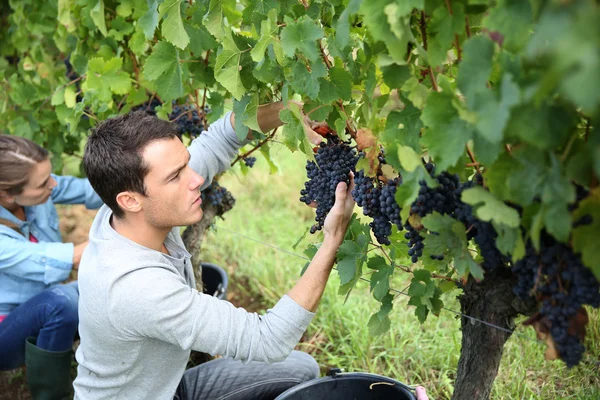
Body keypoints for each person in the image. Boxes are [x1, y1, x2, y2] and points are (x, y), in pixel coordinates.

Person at [74, 103, 429, 400]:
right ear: (130, 199)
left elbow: (221, 136)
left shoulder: (124, 212)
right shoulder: (136, 290)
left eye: (186, 164)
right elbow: (268, 339)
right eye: (176, 176)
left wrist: (291, 111)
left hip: (166, 389)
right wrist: (332, 239)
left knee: (301, 368)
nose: (196, 178)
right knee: (282, 356)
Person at [0, 135, 103, 398]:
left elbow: (92, 190)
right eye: (44, 183)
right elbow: (68, 258)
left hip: (44, 308)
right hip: (6, 333)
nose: (53, 184)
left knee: (110, 288)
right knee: (57, 304)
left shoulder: (36, 192)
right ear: (6, 194)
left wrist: (140, 187)